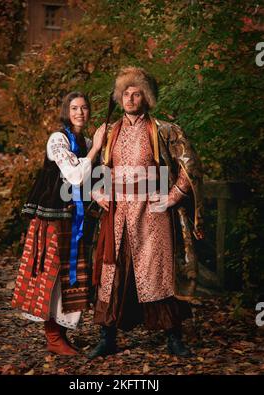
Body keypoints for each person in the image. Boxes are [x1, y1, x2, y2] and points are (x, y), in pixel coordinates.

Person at [89, 67, 204, 359]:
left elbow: (190, 165)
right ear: (119, 96)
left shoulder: (164, 130)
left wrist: (172, 197)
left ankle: (174, 338)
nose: (129, 98)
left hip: (153, 216)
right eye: (125, 93)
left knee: (159, 274)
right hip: (117, 216)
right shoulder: (109, 131)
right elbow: (98, 169)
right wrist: (97, 191)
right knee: (113, 274)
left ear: (146, 96)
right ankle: (107, 337)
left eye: (135, 92)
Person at [11, 91, 106, 355]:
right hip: (53, 218)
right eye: (74, 108)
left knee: (71, 276)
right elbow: (75, 175)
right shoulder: (57, 140)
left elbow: (90, 179)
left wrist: (99, 194)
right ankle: (53, 337)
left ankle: (60, 334)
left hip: (75, 219)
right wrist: (97, 147)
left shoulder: (85, 141)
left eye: (84, 107)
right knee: (51, 275)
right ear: (67, 111)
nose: (80, 112)